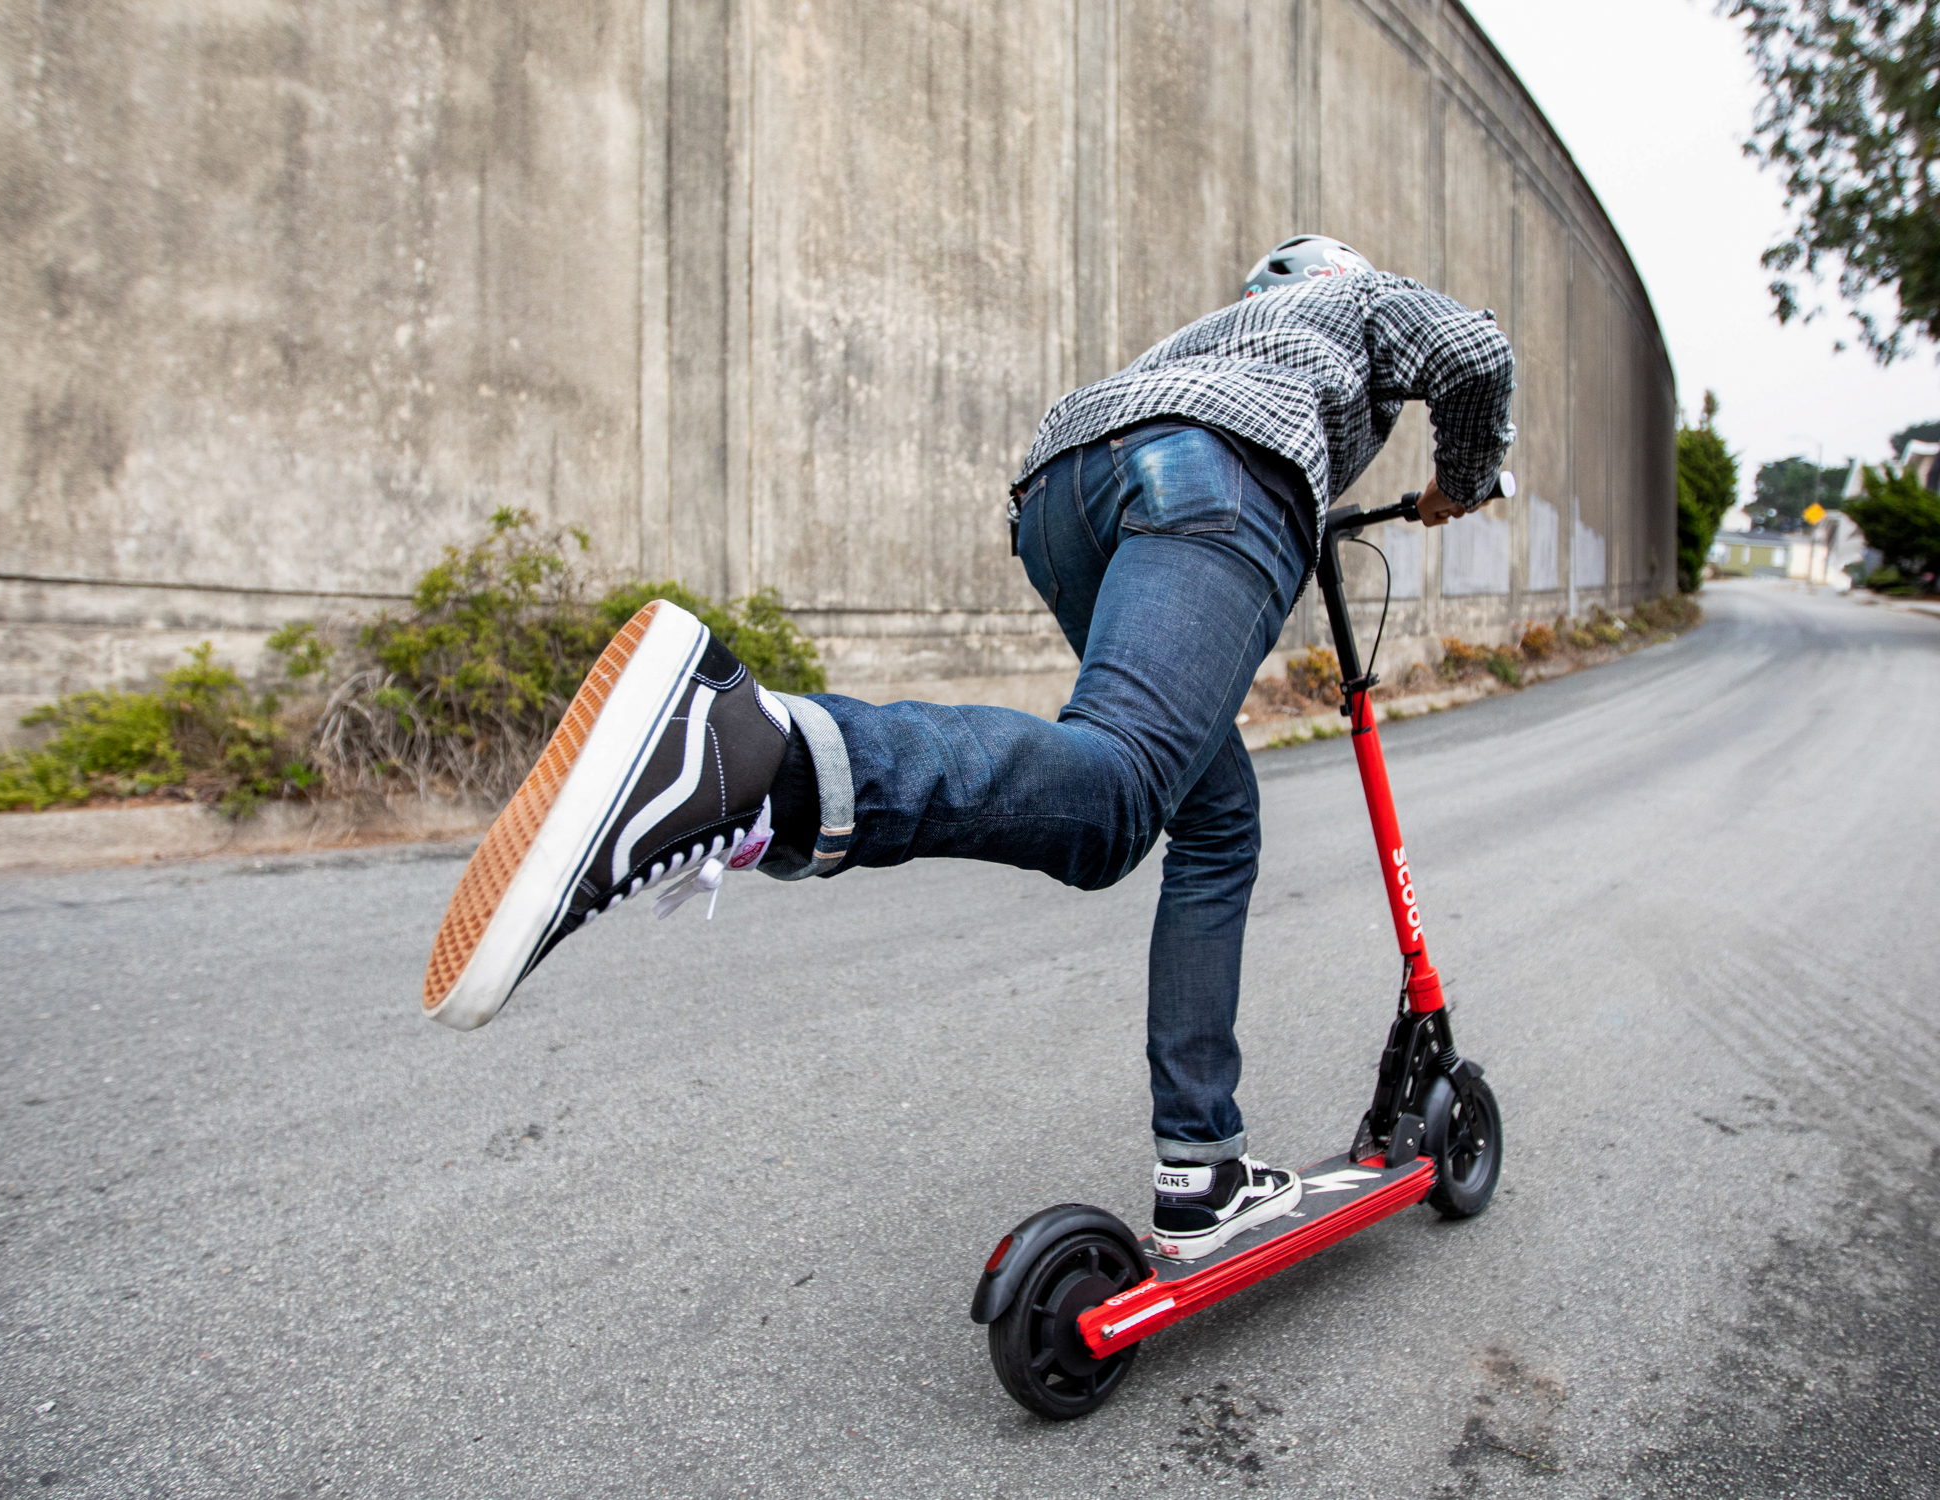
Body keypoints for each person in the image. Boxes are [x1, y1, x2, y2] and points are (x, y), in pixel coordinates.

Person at [419, 234, 1515, 1263]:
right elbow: (1472, 352)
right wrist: (1456, 483)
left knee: (1211, 814)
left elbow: (1154, 440)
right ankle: (764, 755)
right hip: (1220, 475)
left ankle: (1202, 1165)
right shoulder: (1351, 297)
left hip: (1064, 489)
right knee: (1118, 798)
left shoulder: (1211, 334)